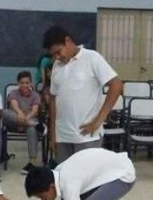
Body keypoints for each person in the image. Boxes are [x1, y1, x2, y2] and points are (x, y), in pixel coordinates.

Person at [43, 25, 123, 163]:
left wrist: (98, 120)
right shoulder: (57, 65)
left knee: (87, 180)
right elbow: (53, 99)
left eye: (58, 52)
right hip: (62, 137)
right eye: (53, 55)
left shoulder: (92, 58)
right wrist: (53, 134)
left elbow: (116, 85)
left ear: (67, 41)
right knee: (64, 179)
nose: (56, 57)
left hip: (87, 137)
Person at [2, 71, 43, 175]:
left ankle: (32, 162)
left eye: (27, 82)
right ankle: (35, 125)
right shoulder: (13, 93)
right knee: (5, 113)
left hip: (28, 122)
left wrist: (25, 120)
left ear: (31, 83)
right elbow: (14, 105)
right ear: (18, 83)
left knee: (31, 129)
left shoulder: (35, 95)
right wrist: (20, 114)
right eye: (22, 83)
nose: (24, 85)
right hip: (14, 122)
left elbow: (34, 111)